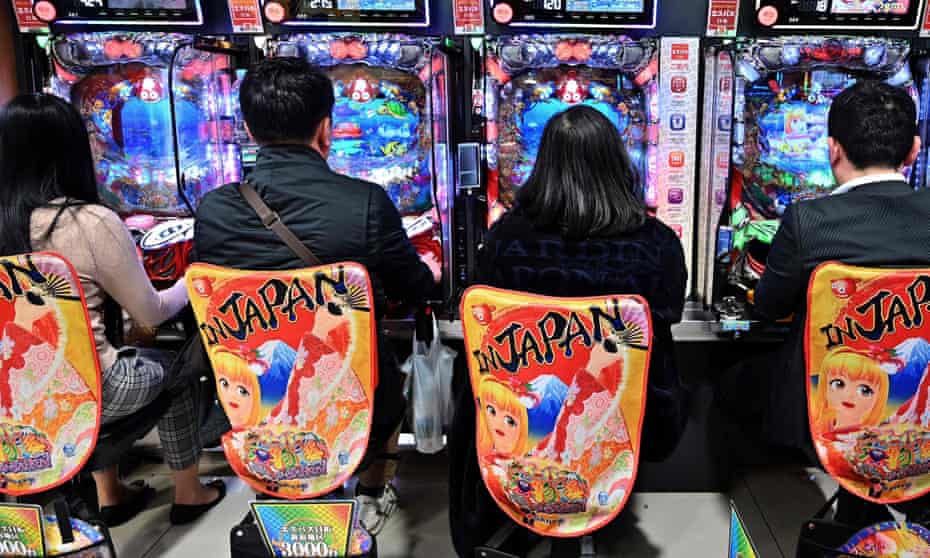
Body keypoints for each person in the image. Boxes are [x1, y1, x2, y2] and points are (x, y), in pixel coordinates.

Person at [192, 57, 438, 534]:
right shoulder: (364, 202)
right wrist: (424, 271)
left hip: (256, 395)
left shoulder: (213, 209)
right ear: (326, 128)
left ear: (245, 128)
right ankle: (369, 491)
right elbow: (417, 290)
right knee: (385, 369)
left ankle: (285, 477)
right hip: (350, 396)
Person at [449, 105, 687, 555]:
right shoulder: (656, 243)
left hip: (522, 419)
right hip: (627, 417)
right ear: (619, 163)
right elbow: (669, 314)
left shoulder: (505, 239)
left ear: (543, 165)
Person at [0, 94, 224, 526]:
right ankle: (189, 492)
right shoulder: (87, 221)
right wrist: (191, 281)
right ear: (71, 151)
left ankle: (112, 492)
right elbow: (153, 313)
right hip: (89, 391)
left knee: (98, 351)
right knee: (179, 364)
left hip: (12, 397)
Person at [752, 80, 930, 525]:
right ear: (913, 151)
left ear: (832, 149)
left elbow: (769, 308)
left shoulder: (809, 220)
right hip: (920, 409)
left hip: (830, 413)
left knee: (738, 383)